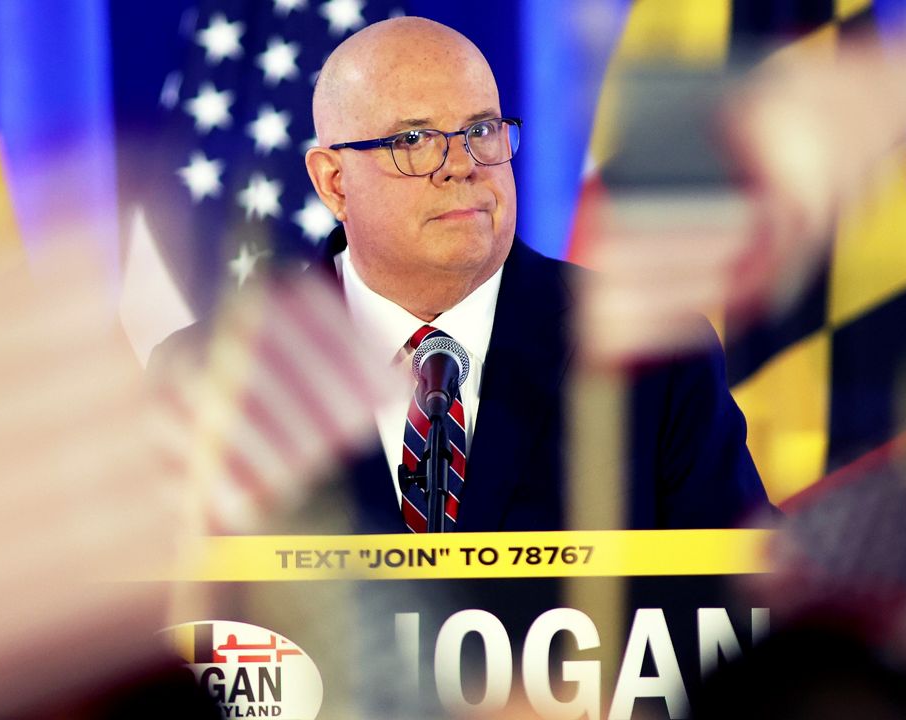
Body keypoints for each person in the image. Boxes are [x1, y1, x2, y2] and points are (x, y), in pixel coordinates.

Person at [153, 16, 772, 533]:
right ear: (333, 182)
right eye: (415, 139)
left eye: (481, 131)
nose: (461, 166)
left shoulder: (652, 351)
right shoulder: (219, 376)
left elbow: (744, 599)